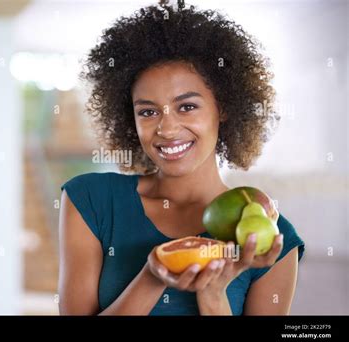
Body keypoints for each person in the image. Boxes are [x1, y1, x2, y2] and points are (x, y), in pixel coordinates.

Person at [59, 2, 305, 315]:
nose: (167, 128)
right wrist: (152, 277)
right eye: (148, 112)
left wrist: (213, 294)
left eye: (187, 107)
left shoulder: (270, 243)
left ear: (224, 107)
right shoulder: (90, 200)